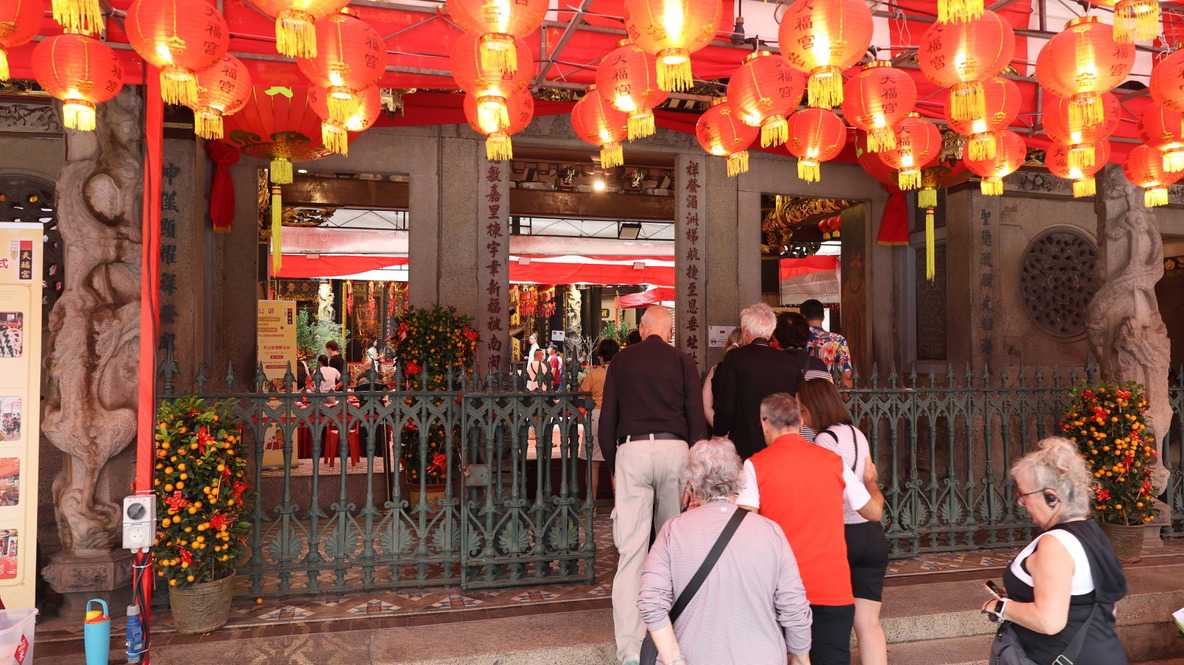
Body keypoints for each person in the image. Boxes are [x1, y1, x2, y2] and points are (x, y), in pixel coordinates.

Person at [738, 393, 884, 665]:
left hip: (781, 591)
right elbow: (874, 512)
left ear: (764, 423)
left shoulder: (755, 465)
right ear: (801, 421)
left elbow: (744, 527)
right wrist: (871, 482)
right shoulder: (833, 462)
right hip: (832, 589)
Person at [638, 438, 812, 665]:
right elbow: (794, 605)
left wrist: (674, 659)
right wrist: (800, 656)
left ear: (691, 484)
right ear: (738, 478)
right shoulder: (770, 532)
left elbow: (651, 602)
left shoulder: (672, 531)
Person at [599, 306, 708, 665]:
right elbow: (696, 418)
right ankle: (675, 638)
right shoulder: (682, 361)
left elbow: (607, 418)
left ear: (643, 329)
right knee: (674, 546)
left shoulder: (622, 361)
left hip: (632, 450)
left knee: (631, 552)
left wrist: (615, 466)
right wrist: (694, 471)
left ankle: (630, 649)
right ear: (669, 331)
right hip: (675, 449)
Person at [980, 437, 1128, 665]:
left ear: (1051, 497)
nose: (1021, 503)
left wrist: (999, 606)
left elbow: (1049, 622)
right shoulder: (1093, 534)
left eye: (1024, 495)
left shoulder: (1054, 544)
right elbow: (1105, 605)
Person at [798, 378, 889, 665]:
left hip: (842, 535)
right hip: (871, 535)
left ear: (812, 408)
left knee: (832, 620)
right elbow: (869, 477)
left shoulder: (825, 440)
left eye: (802, 409)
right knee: (869, 624)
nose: (800, 417)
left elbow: (823, 489)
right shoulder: (858, 433)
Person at [711, 303, 825, 459]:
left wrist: (719, 432)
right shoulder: (789, 362)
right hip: (780, 445)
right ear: (771, 331)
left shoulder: (735, 358)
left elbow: (726, 406)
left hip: (744, 445)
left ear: (746, 332)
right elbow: (797, 404)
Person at [579, 339, 619, 503]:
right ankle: (619, 505)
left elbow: (581, 395)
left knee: (593, 464)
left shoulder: (593, 374)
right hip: (616, 416)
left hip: (595, 415)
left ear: (601, 356)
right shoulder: (621, 372)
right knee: (615, 465)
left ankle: (591, 504)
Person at [800, 299, 854, 387]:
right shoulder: (838, 340)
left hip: (802, 390)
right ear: (823, 317)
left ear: (803, 317)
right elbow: (847, 374)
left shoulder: (798, 339)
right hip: (828, 390)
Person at [702, 327, 742, 428]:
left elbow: (706, 405)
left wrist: (719, 429)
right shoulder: (753, 370)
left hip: (720, 430)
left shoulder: (715, 369)